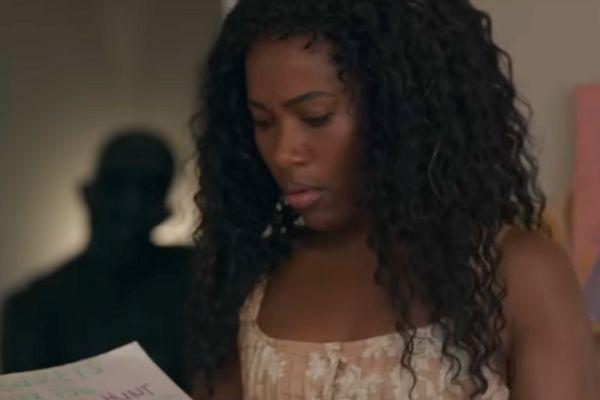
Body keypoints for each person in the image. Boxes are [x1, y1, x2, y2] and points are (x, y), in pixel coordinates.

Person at [187, 1, 599, 399]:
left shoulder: (519, 274)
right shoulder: (250, 278)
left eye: (315, 117)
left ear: (401, 113)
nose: (282, 152)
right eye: (262, 122)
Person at [2, 129, 192, 388]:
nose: (131, 204)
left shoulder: (198, 280)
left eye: (150, 188)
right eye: (117, 183)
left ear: (164, 209)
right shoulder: (32, 307)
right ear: (89, 193)